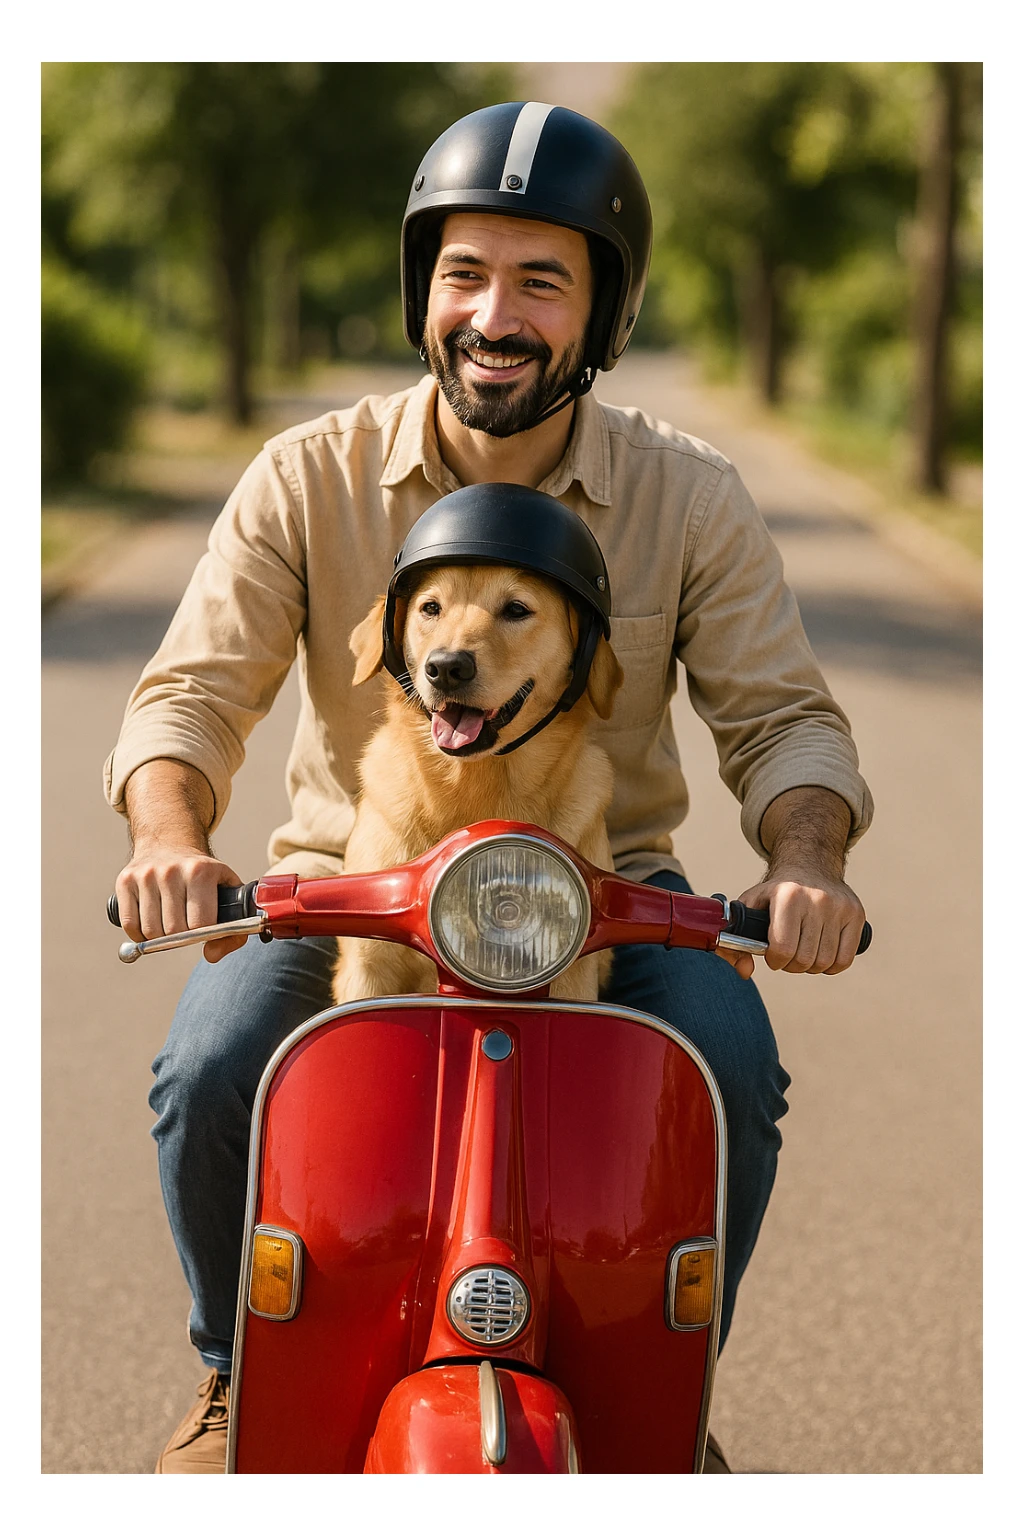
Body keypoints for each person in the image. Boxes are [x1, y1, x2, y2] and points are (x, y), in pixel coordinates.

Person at [106, 101, 872, 1475]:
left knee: (732, 1062)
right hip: (349, 895)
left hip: (613, 902)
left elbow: (783, 720)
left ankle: (666, 1392)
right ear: (423, 294)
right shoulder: (310, 474)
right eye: (465, 274)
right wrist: (172, 836)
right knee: (210, 1058)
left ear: (601, 314)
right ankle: (233, 1370)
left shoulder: (686, 497)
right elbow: (189, 695)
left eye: (541, 281)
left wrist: (805, 862)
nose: (494, 315)